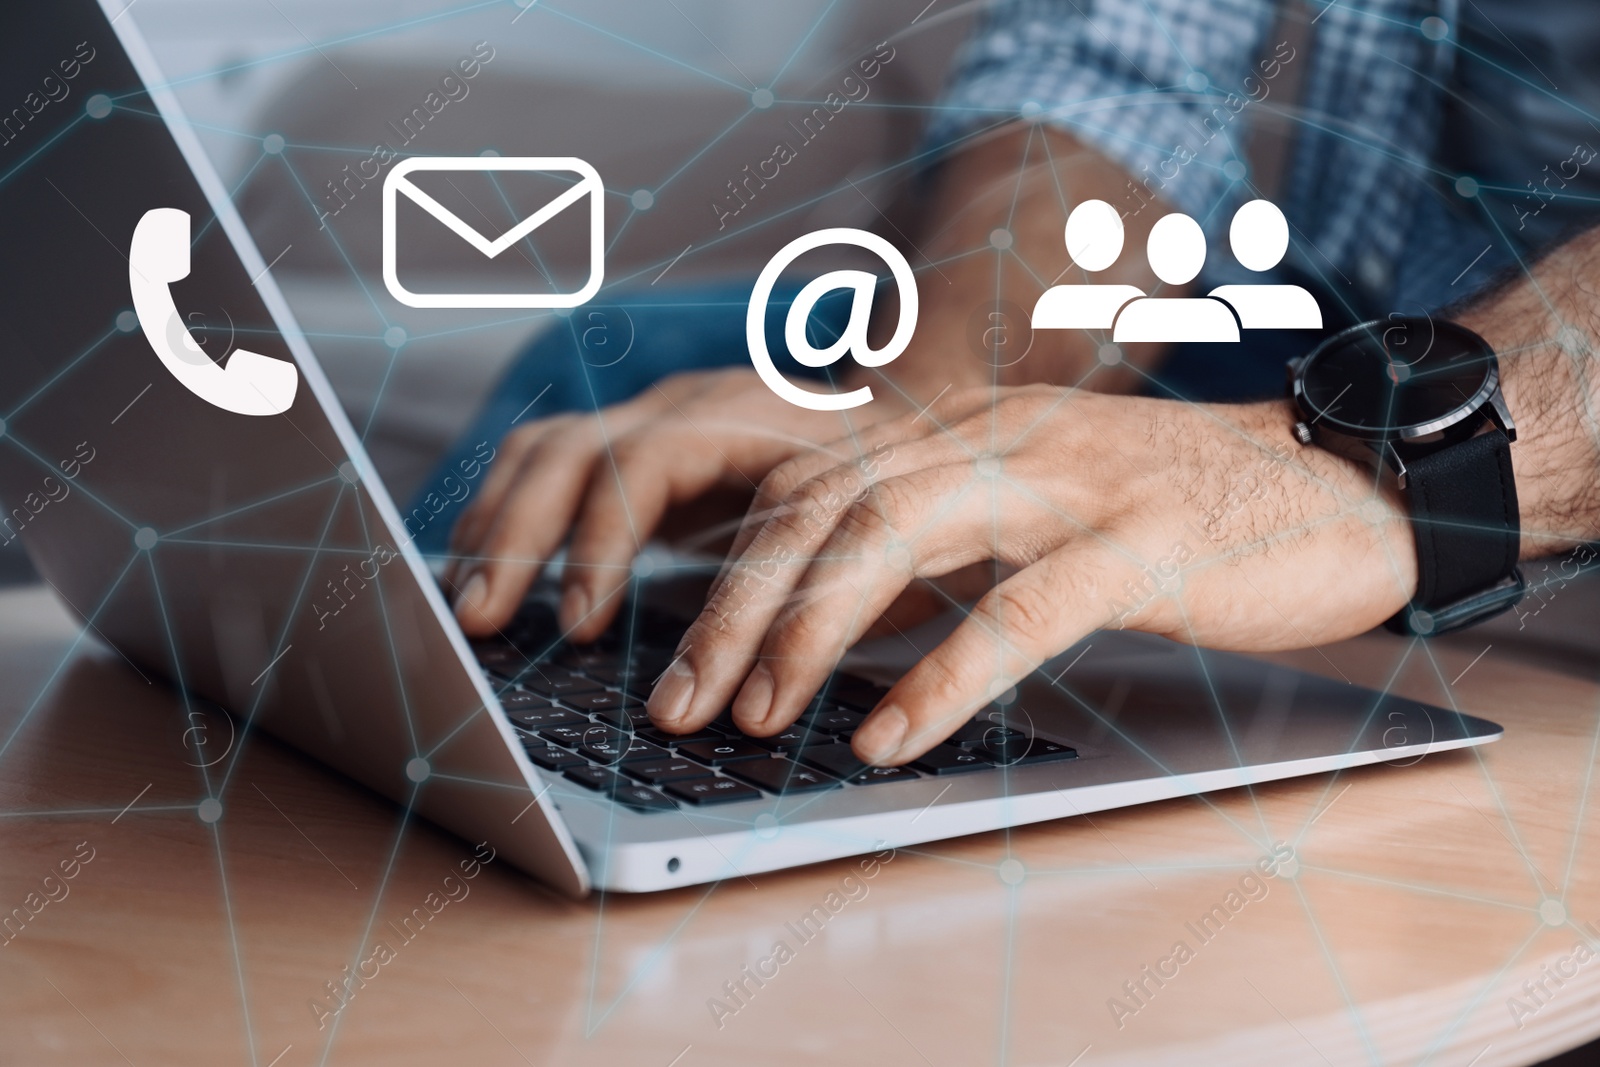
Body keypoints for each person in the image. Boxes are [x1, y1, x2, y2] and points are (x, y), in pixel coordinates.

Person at [439, 0, 1600, 768]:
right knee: (614, 369)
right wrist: (930, 409)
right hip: (1351, 327)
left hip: (1515, 391)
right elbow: (1117, 71)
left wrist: (1394, 463)